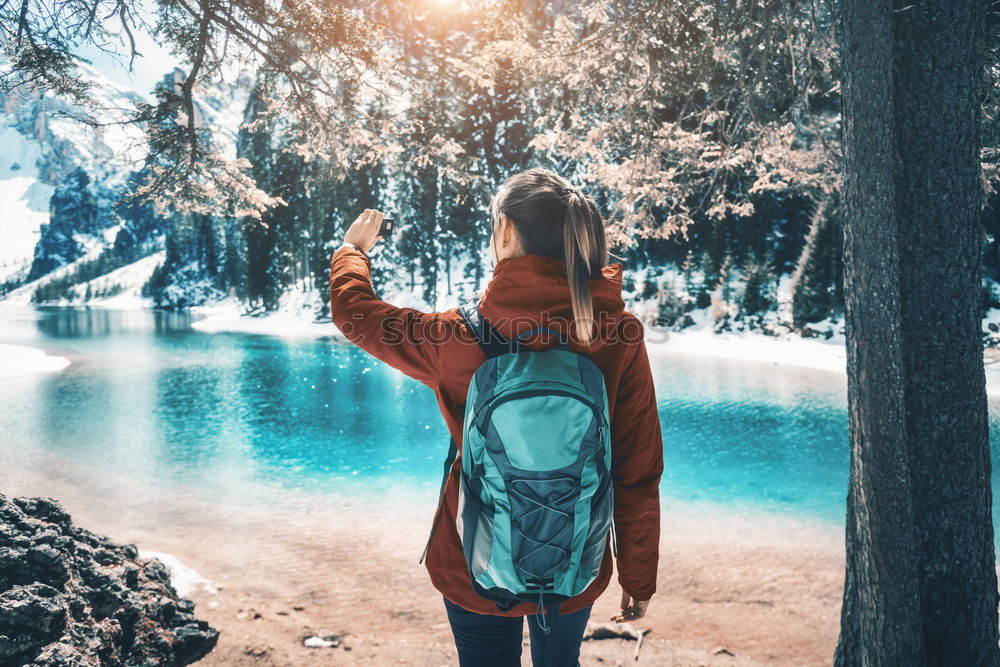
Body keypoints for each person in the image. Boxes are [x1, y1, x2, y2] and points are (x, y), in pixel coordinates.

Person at [328, 167, 663, 667]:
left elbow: (355, 312)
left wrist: (352, 253)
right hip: (576, 560)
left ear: (505, 230)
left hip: (470, 562)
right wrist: (638, 581)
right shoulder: (619, 334)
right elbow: (637, 474)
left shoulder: (458, 335)